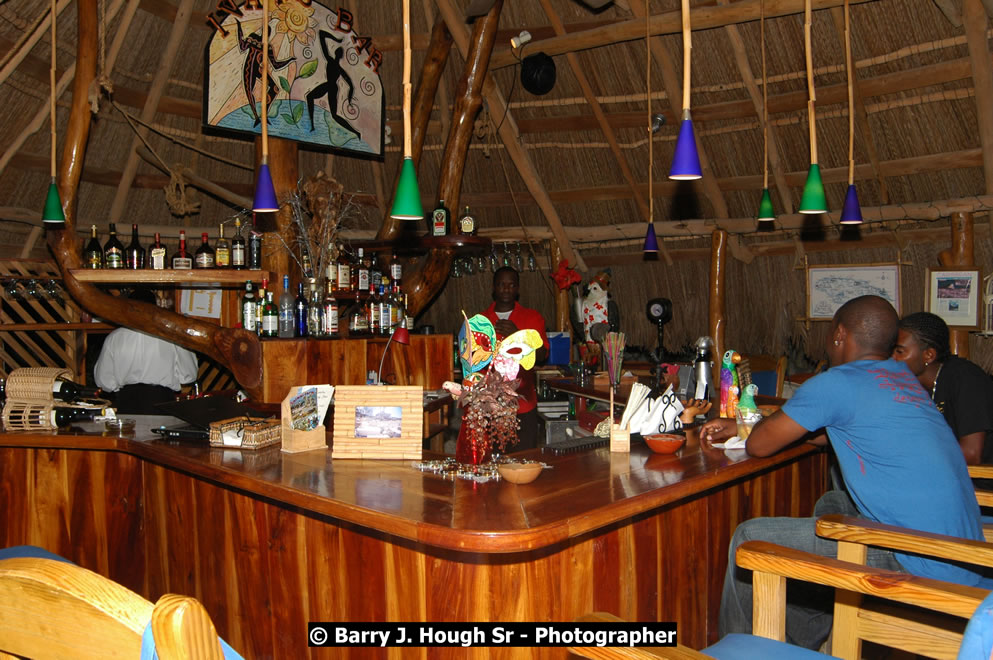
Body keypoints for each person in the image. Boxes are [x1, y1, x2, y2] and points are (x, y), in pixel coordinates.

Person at [700, 295, 988, 650]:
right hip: (963, 553)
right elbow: (832, 428)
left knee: (749, 538)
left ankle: (741, 651)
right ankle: (802, 640)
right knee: (833, 504)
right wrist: (746, 424)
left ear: (839, 335)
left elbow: (760, 445)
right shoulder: (902, 378)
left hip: (917, 558)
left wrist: (754, 428)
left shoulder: (836, 383)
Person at [894, 311, 993, 466]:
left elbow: (971, 454)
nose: (892, 358)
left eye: (899, 351)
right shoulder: (907, 386)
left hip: (979, 477)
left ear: (929, 355)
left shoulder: (966, 378)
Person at [94, 288, 199, 415]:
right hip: (161, 400)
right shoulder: (172, 336)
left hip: (127, 402)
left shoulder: (114, 337)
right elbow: (189, 375)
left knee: (129, 428)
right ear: (156, 310)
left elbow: (104, 381)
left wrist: (122, 389)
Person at [481, 267, 548, 451]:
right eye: (501, 284)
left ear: (518, 288)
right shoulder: (481, 321)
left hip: (523, 406)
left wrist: (518, 335)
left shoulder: (532, 318)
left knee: (524, 461)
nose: (506, 289)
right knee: (491, 463)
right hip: (489, 406)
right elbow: (472, 361)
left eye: (511, 285)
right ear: (493, 287)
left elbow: (542, 356)